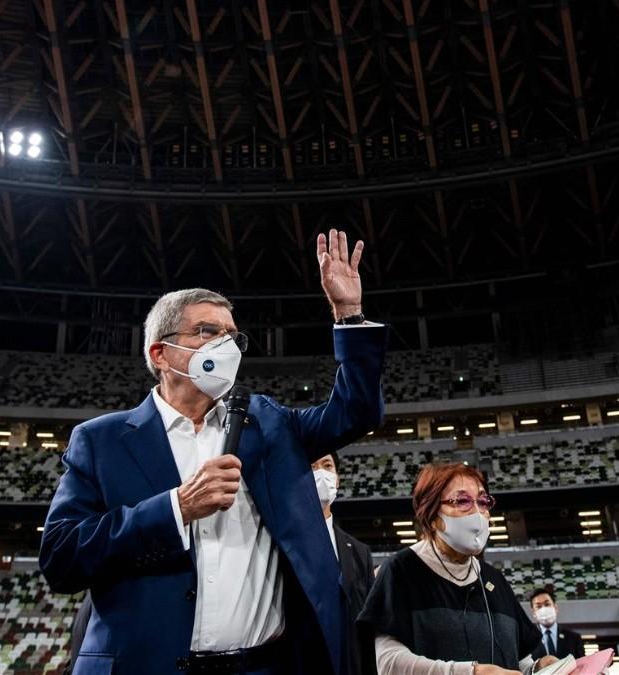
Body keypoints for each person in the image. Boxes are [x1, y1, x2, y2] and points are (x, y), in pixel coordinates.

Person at [40, 229, 386, 675]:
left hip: (264, 666)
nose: (226, 345)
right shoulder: (101, 440)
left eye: (233, 336)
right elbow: (61, 559)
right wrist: (176, 507)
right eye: (208, 331)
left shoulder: (269, 423)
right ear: (161, 353)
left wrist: (349, 316)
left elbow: (356, 411)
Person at [358, 462, 559, 675]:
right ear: (432, 516)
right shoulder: (400, 570)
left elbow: (517, 661)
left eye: (483, 502)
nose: (478, 513)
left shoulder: (494, 579)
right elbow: (388, 662)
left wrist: (538, 667)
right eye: (462, 501)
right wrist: (470, 672)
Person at [312, 451, 377, 675]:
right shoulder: (277, 544)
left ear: (337, 478)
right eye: (311, 467)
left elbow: (368, 629)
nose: (320, 473)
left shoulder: (360, 552)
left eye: (327, 465)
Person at [527, 588, 585, 661]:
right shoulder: (527, 640)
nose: (544, 609)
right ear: (533, 612)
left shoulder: (574, 638)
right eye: (538, 606)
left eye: (547, 604)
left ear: (556, 607)